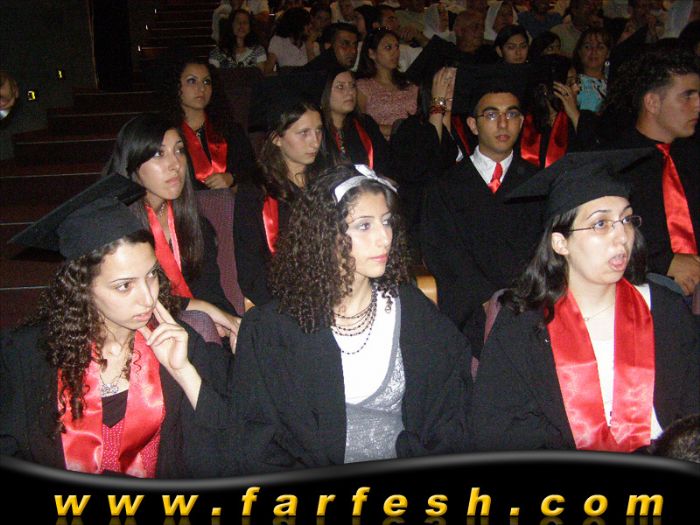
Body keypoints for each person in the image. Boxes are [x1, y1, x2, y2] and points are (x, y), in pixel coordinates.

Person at [225, 164, 472, 474]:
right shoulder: (273, 330)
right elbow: (256, 442)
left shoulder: (413, 311)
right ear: (325, 235)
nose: (384, 238)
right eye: (364, 225)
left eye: (386, 221)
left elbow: (450, 416)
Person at [470, 150, 700, 452]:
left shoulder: (666, 310)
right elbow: (499, 432)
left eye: (626, 219)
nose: (622, 237)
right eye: (601, 224)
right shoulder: (523, 326)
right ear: (560, 243)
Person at [1, 178, 233, 477]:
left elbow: (230, 449)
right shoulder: (27, 355)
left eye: (151, 275)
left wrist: (184, 373)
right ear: (82, 289)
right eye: (124, 285)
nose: (148, 298)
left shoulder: (182, 345)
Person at [420, 65, 543, 355]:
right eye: (491, 115)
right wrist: (488, 301)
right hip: (470, 314)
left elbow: (546, 251)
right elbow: (443, 253)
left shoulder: (540, 184)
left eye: (511, 114)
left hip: (530, 310)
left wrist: (521, 301)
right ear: (473, 125)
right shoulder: (445, 186)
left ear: (522, 121)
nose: (503, 124)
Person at [102, 114, 241, 347]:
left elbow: (209, 288)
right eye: (159, 154)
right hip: (137, 336)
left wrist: (228, 322)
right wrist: (202, 310)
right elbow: (131, 300)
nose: (175, 164)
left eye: (179, 151)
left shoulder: (191, 221)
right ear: (133, 163)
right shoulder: (114, 229)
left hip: (195, 332)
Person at [599, 46, 700, 296]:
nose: (697, 105)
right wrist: (663, 262)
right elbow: (599, 237)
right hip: (643, 290)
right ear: (653, 102)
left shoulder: (691, 155)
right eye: (687, 97)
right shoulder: (614, 164)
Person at [234, 97, 329, 306]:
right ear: (277, 138)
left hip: (332, 289)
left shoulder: (328, 181)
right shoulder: (255, 192)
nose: (315, 142)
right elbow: (250, 269)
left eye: (319, 131)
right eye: (304, 133)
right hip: (281, 299)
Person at [161, 56, 256, 190]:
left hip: (230, 200)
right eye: (192, 81)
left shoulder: (230, 130)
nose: (201, 88)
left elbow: (251, 168)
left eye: (206, 82)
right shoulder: (165, 134)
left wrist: (231, 178)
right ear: (176, 86)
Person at [392, 66, 459, 253]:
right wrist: (437, 105)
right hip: (420, 218)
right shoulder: (411, 128)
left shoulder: (462, 128)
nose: (451, 90)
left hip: (449, 217)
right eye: (446, 84)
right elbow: (429, 161)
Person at [520, 54, 597, 169]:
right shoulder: (526, 122)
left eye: (577, 81)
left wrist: (575, 115)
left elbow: (594, 157)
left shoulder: (585, 118)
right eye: (569, 83)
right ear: (545, 89)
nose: (577, 88)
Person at [321, 68, 392, 175]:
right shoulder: (316, 130)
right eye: (340, 87)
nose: (350, 92)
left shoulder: (366, 124)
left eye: (352, 86)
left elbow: (385, 162)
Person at [356, 28, 420, 140]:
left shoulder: (409, 84)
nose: (396, 52)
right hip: (382, 143)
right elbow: (359, 122)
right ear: (372, 53)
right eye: (388, 48)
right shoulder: (363, 86)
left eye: (397, 47)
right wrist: (397, 130)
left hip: (414, 141)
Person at [572, 27, 611, 113]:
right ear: (579, 51)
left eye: (600, 47)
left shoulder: (614, 83)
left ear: (608, 53)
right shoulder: (572, 83)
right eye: (587, 47)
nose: (594, 51)